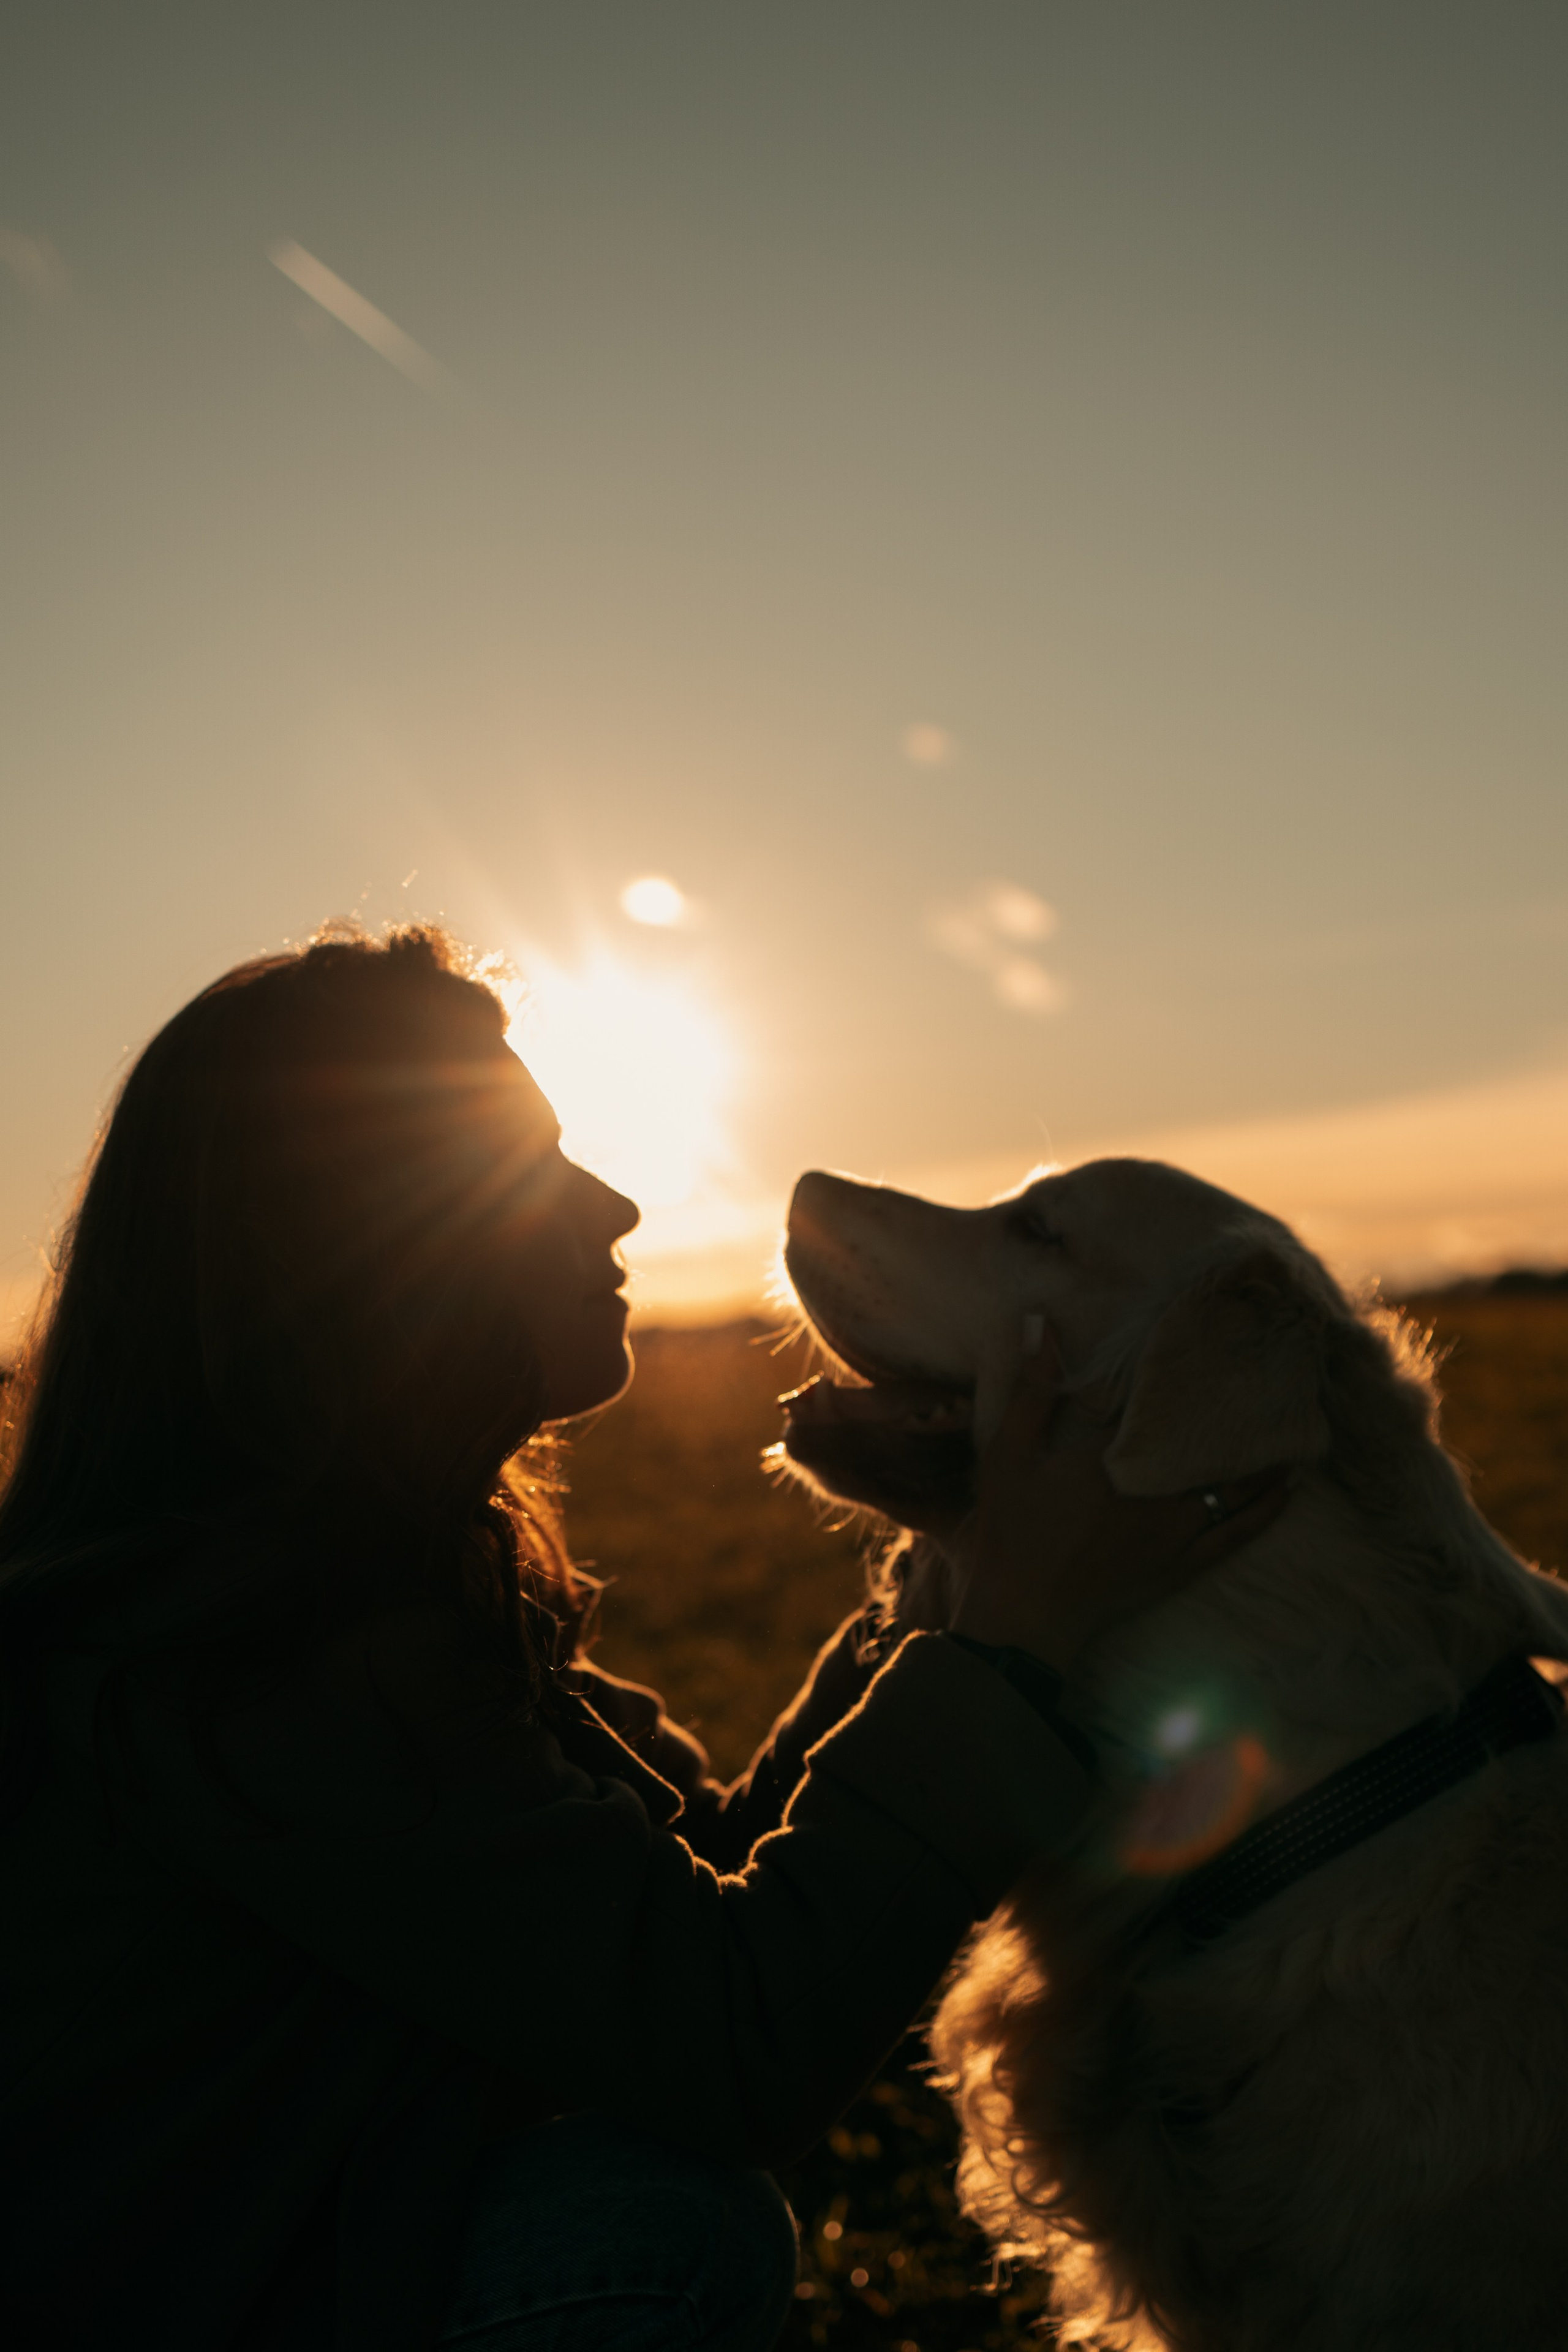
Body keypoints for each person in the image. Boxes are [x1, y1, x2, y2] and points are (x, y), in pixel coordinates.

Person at [0, 926, 1274, 2352]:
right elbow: (726, 2044)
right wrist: (1009, 1644)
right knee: (642, 2228)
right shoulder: (254, 1661)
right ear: (364, 1251)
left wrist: (957, 1584)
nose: (610, 1206)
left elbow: (685, 1898)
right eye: (528, 1168)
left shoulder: (326, 1576)